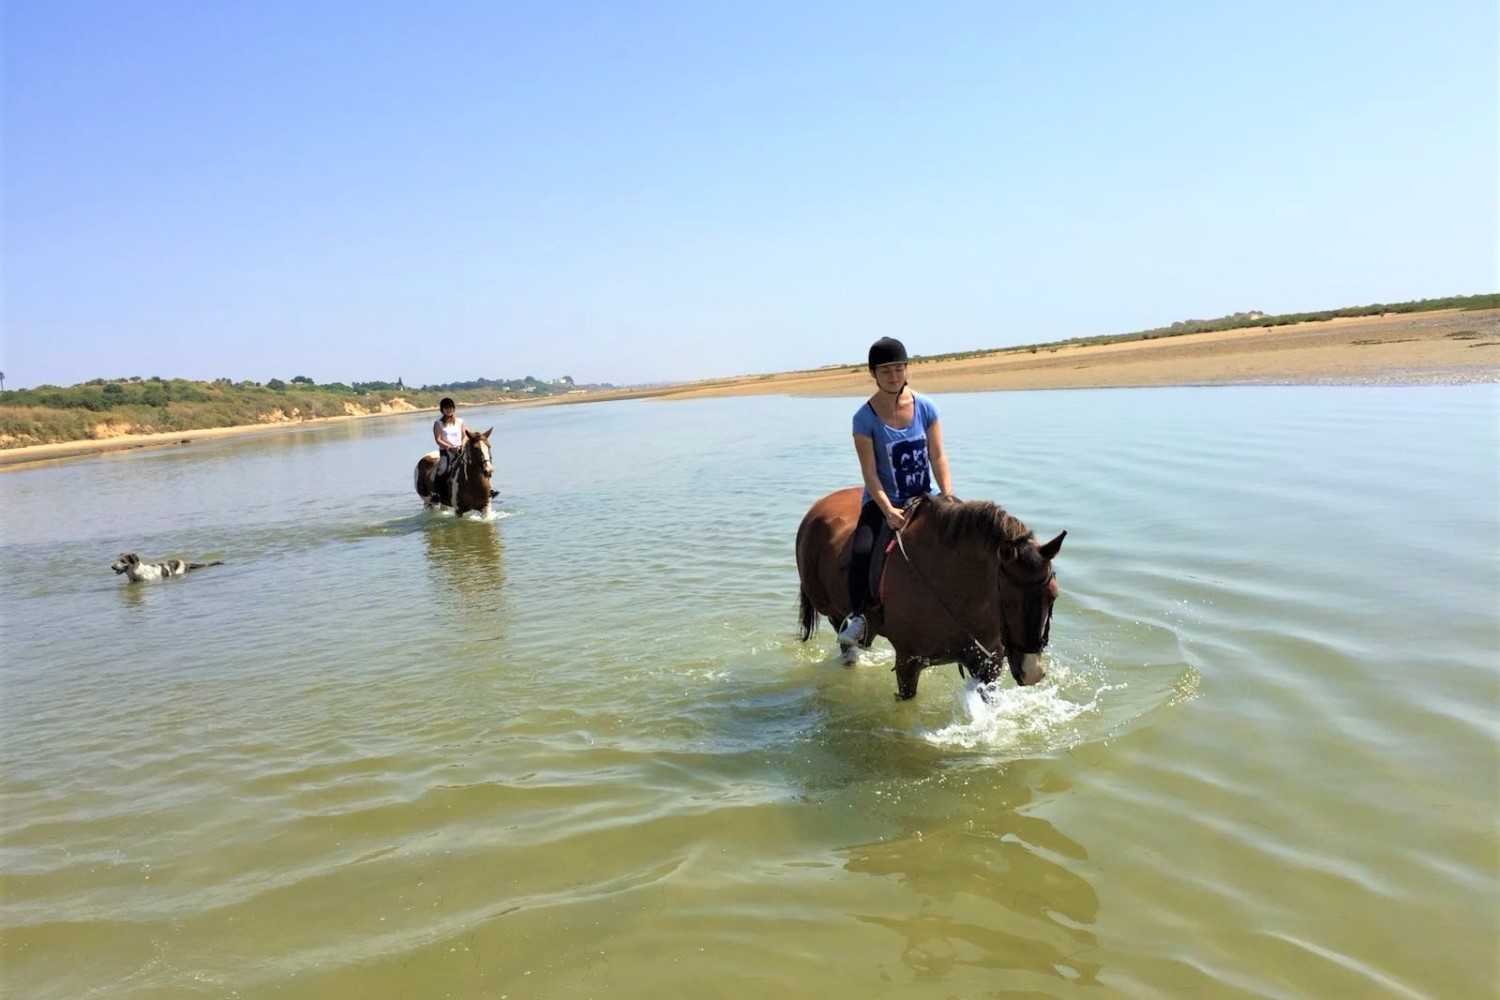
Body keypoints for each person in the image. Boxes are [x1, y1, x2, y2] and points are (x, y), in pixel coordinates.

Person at [838, 337, 952, 644]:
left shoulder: (926, 407)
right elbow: (869, 471)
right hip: (883, 502)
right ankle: (859, 617)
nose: (894, 376)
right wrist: (888, 511)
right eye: (886, 370)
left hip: (924, 498)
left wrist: (948, 495)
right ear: (873, 373)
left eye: (899, 368)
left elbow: (937, 455)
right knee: (861, 551)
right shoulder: (864, 418)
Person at [430, 397, 465, 501]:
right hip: (446, 451)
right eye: (446, 408)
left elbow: (464, 436)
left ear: (453, 408)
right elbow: (438, 439)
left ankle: (488, 490)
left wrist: (462, 445)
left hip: (460, 449)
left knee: (476, 464)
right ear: (442, 410)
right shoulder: (438, 423)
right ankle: (437, 494)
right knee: (442, 469)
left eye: (450, 408)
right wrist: (449, 448)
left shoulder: (460, 421)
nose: (448, 410)